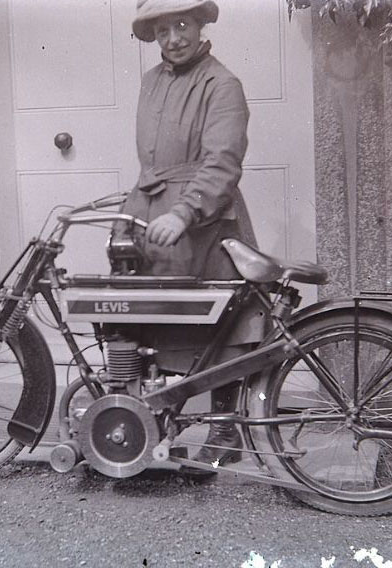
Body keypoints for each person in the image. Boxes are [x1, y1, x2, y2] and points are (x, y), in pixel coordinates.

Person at [117, 0, 266, 474]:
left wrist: (184, 212)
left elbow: (222, 162)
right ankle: (151, 421)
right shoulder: (151, 82)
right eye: (162, 30)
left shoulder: (222, 85)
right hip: (149, 214)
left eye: (181, 25)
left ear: (200, 26)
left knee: (222, 326)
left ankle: (225, 431)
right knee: (144, 318)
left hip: (204, 219)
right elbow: (153, 160)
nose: (173, 38)